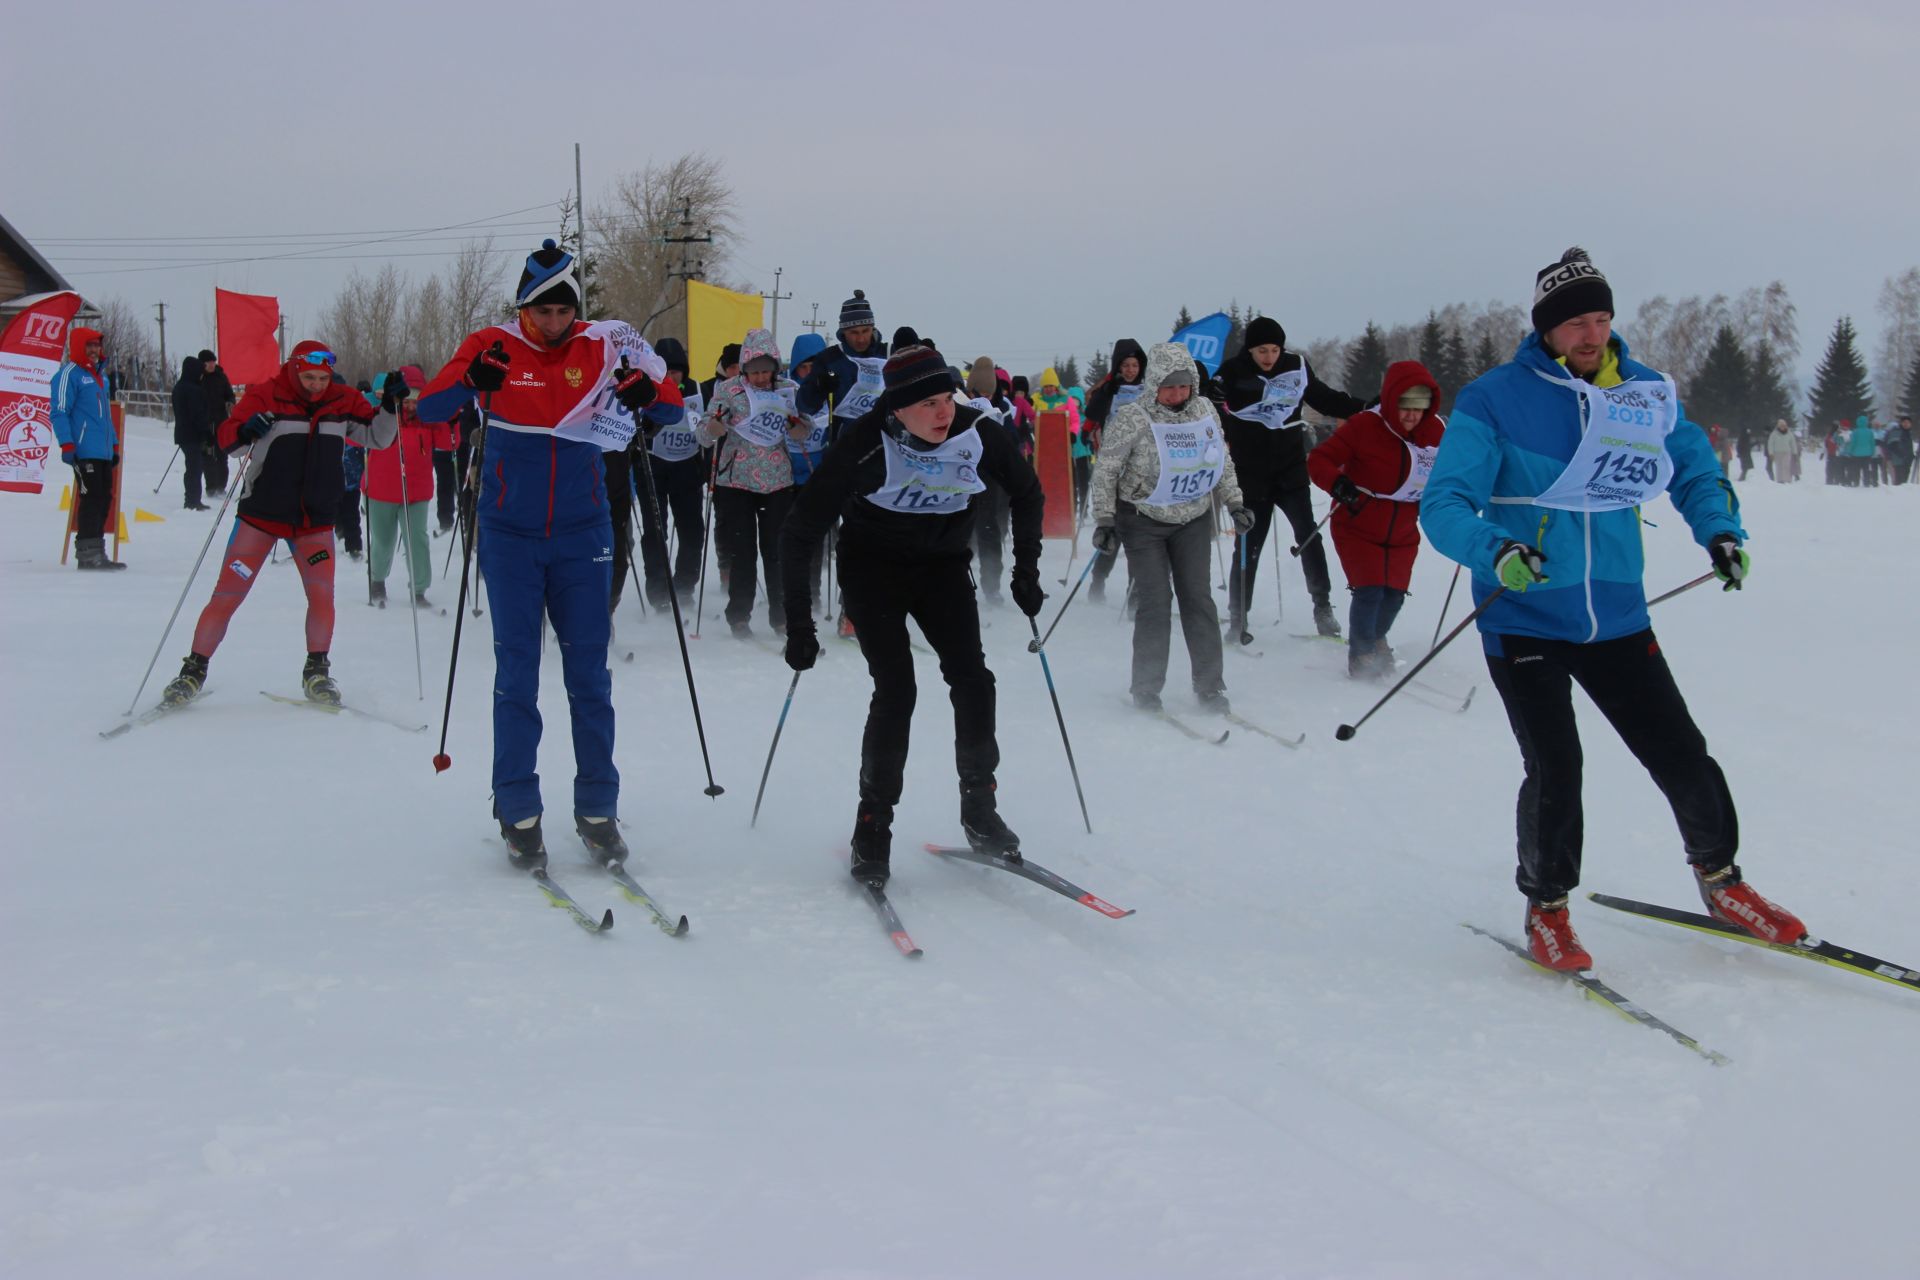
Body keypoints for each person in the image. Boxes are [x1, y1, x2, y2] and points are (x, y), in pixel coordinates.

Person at [1420, 246, 1803, 971]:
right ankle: (1548, 907)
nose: (1591, 334)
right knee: (1557, 768)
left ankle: (1722, 882)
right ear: (1546, 330)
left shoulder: (1644, 391)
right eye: (1575, 323)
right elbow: (1444, 504)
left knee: (1681, 754)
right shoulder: (1495, 398)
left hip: (1619, 614)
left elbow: (1692, 466)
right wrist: (1493, 549)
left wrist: (1720, 530)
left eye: (1601, 318)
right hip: (1524, 615)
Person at [415, 238, 682, 867]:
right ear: (524, 308)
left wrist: (647, 396)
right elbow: (430, 406)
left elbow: (670, 411)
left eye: (564, 311)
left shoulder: (602, 343)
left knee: (590, 675)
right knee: (517, 675)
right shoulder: (490, 345)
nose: (556, 323)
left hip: (584, 532)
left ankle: (597, 810)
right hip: (509, 534)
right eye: (543, 312)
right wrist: (468, 388)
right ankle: (517, 808)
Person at [778, 345, 1046, 887]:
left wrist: (1026, 570)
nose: (944, 412)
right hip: (872, 571)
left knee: (973, 678)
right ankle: (872, 824)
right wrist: (801, 624)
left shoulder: (977, 432)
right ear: (897, 408)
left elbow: (1028, 491)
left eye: (948, 397)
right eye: (928, 403)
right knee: (897, 689)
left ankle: (979, 808)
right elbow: (800, 531)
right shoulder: (863, 444)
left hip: (942, 567)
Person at [159, 342, 397, 706]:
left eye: (322, 377)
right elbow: (228, 441)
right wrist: (247, 430)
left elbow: (378, 437)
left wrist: (391, 408)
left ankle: (317, 671)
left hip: (314, 521)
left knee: (322, 597)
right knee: (226, 595)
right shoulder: (266, 395)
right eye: (309, 377)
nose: (317, 384)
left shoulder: (343, 400)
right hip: (261, 516)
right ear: (294, 370)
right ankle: (192, 670)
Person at [1089, 342, 1248, 712]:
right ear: (1154, 383)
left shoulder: (1204, 410)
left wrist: (1235, 502)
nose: (1177, 395)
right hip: (1143, 521)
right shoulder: (1133, 417)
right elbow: (1107, 470)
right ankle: (1146, 687)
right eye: (1169, 387)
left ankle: (1210, 686)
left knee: (1198, 599)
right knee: (1155, 603)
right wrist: (1105, 519)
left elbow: (1219, 461)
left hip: (1192, 519)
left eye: (1184, 386)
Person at [1207, 316, 1366, 642]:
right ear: (1250, 350)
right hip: (1251, 474)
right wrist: (1210, 392)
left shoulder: (1296, 366)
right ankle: (1238, 618)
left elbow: (1326, 399)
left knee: (1309, 537)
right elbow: (1207, 401)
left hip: (1290, 469)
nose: (1269, 357)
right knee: (1249, 546)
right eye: (1262, 350)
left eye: (1275, 349)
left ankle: (1323, 608)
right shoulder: (1233, 370)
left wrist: (1367, 407)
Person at [1309, 361, 1447, 680]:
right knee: (1369, 590)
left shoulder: (1437, 431)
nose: (1412, 415)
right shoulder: (1364, 425)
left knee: (1394, 594)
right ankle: (1361, 654)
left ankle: (1376, 638)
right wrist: (1337, 483)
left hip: (1402, 527)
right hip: (1358, 521)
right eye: (1404, 407)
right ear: (1390, 401)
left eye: (1419, 408)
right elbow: (1319, 459)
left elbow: (1451, 470)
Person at [697, 326, 804, 637]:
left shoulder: (787, 390)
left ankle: (781, 616)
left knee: (777, 551)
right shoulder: (729, 390)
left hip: (777, 481)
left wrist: (800, 428)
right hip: (736, 482)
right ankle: (739, 615)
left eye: (765, 371)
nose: (760, 377)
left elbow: (803, 427)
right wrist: (714, 427)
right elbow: (703, 433)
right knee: (742, 551)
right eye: (754, 371)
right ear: (744, 368)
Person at [363, 366, 451, 606]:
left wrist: (449, 419)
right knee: (383, 540)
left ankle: (420, 589)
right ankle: (377, 581)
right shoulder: (382, 416)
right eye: (406, 400)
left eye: (416, 401)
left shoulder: (430, 420)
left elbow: (450, 444)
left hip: (416, 492)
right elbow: (355, 435)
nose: (411, 406)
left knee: (417, 540)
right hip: (380, 490)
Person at [634, 337, 709, 610]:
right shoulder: (646, 389)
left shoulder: (698, 390)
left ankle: (684, 586)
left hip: (687, 468)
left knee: (692, 530)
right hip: (652, 466)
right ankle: (658, 591)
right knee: (655, 529)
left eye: (675, 371)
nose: (670, 377)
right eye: (664, 371)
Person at [49, 326, 125, 572]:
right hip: (83, 450)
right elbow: (59, 412)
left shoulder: (101, 377)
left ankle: (97, 551)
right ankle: (86, 554)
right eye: (89, 345)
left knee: (104, 499)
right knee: (91, 499)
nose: (94, 350)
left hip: (102, 451)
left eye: (97, 345)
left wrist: (113, 444)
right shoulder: (68, 375)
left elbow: (104, 418)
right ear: (79, 346)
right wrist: (67, 443)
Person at [1083, 339, 1148, 603]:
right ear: (1118, 366)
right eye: (1126, 365)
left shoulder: (1150, 389)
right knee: (1116, 530)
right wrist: (1105, 390)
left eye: (1135, 365)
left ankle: (1135, 592)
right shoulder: (1109, 389)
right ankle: (1098, 580)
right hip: (1114, 465)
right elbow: (1092, 414)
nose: (1131, 370)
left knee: (1142, 536)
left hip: (1143, 469)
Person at [786, 333, 833, 614]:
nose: (810, 373)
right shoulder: (787, 393)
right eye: (805, 367)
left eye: (815, 366)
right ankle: (790, 592)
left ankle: (812, 593)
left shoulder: (832, 395)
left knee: (815, 541)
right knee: (790, 539)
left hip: (819, 477)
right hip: (787, 476)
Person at [1031, 367, 1086, 517]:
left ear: (1056, 387)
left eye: (1051, 386)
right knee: (1042, 480)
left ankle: (1069, 510)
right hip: (1043, 449)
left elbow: (1074, 420)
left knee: (1066, 480)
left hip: (1062, 448)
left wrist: (1073, 434)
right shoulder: (1037, 401)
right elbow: (1030, 418)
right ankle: (1043, 512)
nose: (1049, 389)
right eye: (1046, 386)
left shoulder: (1066, 400)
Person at [169, 354, 214, 511]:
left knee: (193, 466)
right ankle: (192, 500)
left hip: (182, 433)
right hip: (193, 434)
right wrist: (207, 432)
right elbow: (198, 414)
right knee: (195, 467)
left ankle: (193, 499)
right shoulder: (193, 389)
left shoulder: (179, 387)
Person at [199, 350, 235, 496]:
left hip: (221, 420)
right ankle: (210, 487)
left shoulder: (221, 376)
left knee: (222, 455)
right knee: (207, 455)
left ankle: (221, 486)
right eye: (209, 362)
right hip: (205, 422)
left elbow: (230, 395)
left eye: (214, 361)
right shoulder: (199, 378)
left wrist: (230, 403)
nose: (212, 364)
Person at [1846, 414, 1879, 486]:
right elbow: (1872, 443)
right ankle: (1866, 483)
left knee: (1856, 469)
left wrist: (1850, 451)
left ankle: (1856, 482)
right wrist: (1872, 451)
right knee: (1866, 469)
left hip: (1856, 454)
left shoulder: (1855, 431)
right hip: (1867, 453)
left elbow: (1853, 443)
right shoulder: (1870, 432)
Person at [1764, 419, 1796, 483]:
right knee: (1779, 466)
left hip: (1787, 452)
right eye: (1781, 425)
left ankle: (1788, 479)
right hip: (1777, 452)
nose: (1783, 427)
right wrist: (1771, 453)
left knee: (1786, 466)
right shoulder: (1774, 434)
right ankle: (1780, 480)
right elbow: (1770, 444)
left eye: (1784, 425)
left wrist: (1794, 452)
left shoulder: (1789, 433)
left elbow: (1793, 443)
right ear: (1778, 426)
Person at [1888, 415, 1915, 485]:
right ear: (1901, 423)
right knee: (1899, 481)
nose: (1906, 424)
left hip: (1907, 461)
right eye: (1904, 422)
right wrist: (1902, 455)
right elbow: (1892, 445)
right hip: (1899, 461)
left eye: (1908, 423)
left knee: (1904, 481)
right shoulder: (1897, 432)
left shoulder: (1908, 433)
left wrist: (1911, 455)